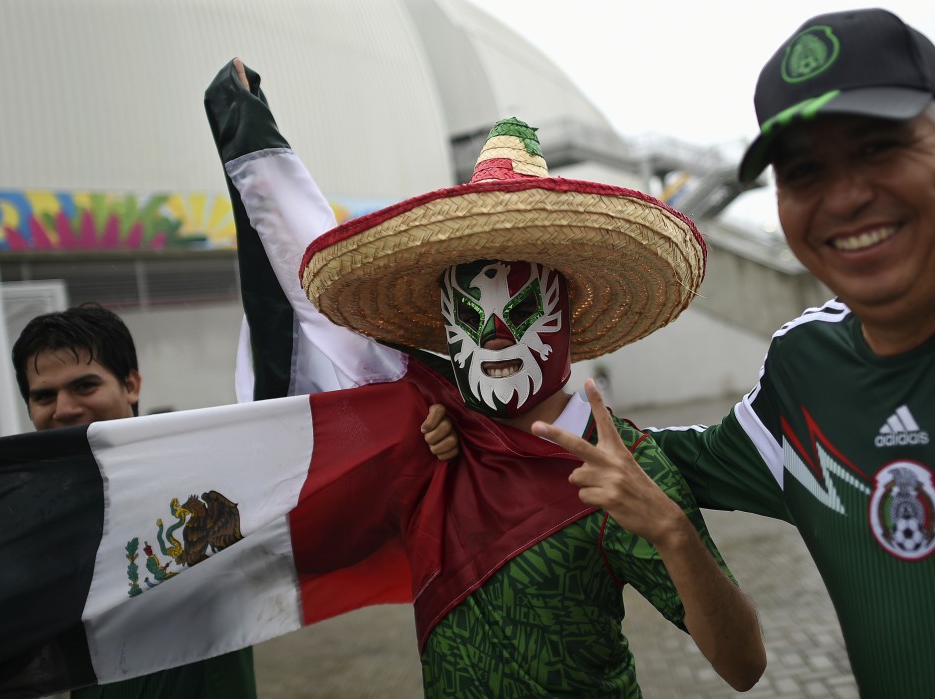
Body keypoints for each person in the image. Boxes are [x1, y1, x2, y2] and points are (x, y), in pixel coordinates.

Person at [206, 59, 765, 696]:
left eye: (520, 310)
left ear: (566, 316)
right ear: (444, 329)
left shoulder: (624, 465)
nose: (495, 335)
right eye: (470, 315)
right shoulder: (427, 438)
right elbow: (313, 326)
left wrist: (669, 529)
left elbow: (743, 664)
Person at [535, 8, 935, 697]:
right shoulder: (804, 371)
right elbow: (656, 459)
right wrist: (483, 419)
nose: (845, 196)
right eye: (804, 172)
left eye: (878, 148)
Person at [8, 303, 259, 698]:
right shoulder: (34, 518)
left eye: (85, 386)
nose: (65, 409)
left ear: (131, 385)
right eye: (44, 396)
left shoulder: (197, 479)